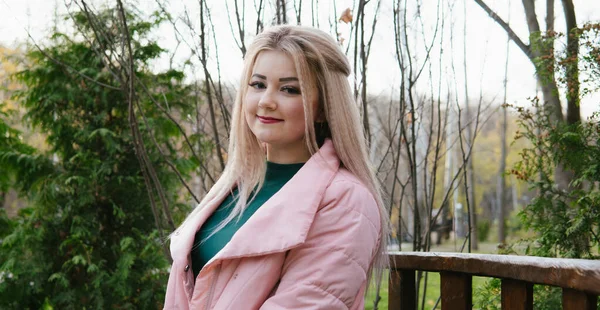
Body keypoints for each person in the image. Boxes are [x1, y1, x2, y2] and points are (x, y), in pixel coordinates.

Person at [164, 24, 388, 310]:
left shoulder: (347, 201)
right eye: (258, 85)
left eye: (289, 89)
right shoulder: (236, 185)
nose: (266, 101)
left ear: (323, 107)